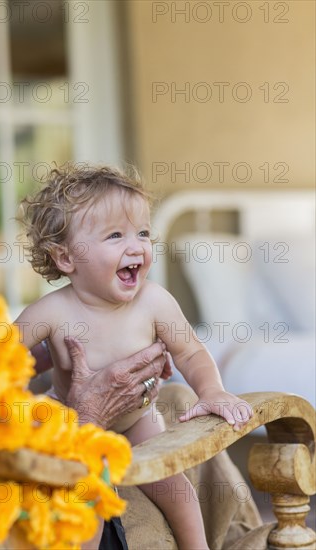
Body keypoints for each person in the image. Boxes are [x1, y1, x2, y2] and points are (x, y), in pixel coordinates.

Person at [15, 164, 253, 550]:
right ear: (66, 258)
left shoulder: (154, 301)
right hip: (75, 424)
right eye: (115, 235)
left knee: (174, 486)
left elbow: (190, 351)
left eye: (142, 233)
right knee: (82, 496)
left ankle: (198, 547)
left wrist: (212, 391)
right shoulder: (51, 312)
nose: (136, 246)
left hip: (137, 419)